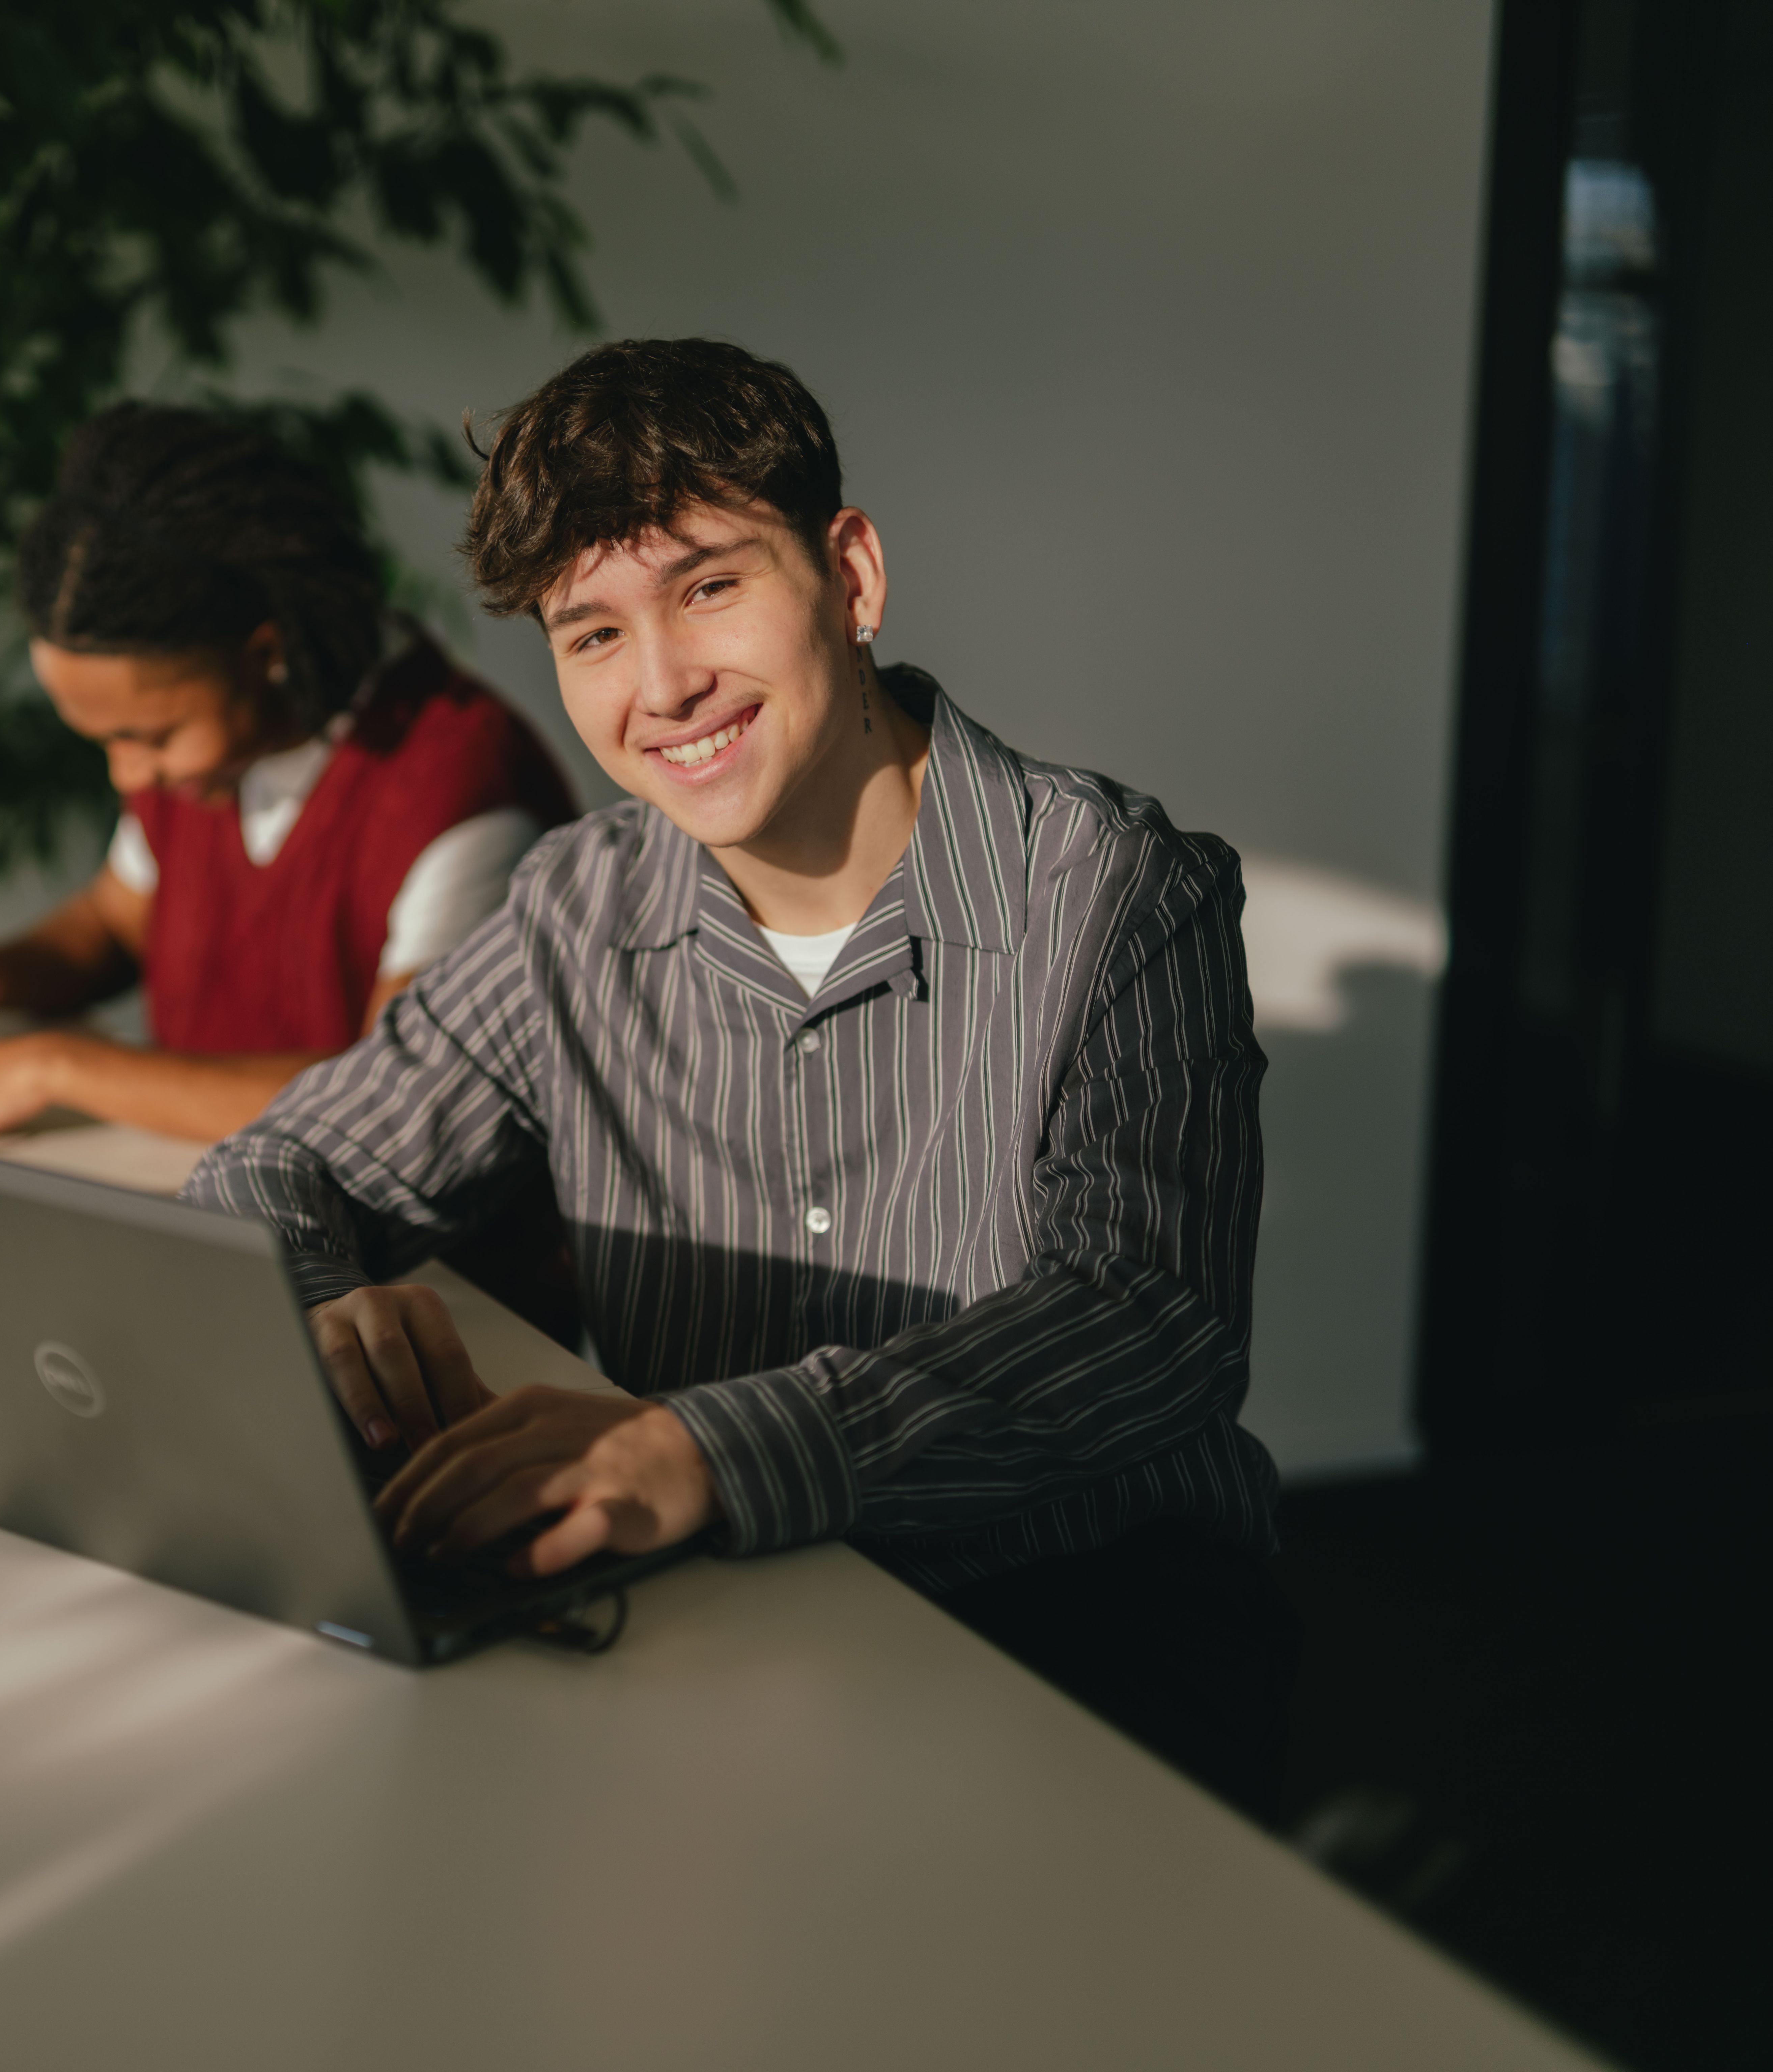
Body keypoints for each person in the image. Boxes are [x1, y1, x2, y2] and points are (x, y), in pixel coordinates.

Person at [182, 339, 1291, 1815]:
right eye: (588, 636)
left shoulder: (1116, 895)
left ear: (849, 574)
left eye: (710, 586)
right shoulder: (577, 906)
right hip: (723, 1609)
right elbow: (275, 1167)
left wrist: (714, 1450)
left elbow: (1147, 1325)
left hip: (1078, 1610)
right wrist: (321, 1312)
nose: (663, 686)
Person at [0, 403, 575, 1147]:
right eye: (103, 741)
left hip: (431, 1266)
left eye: (147, 738)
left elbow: (398, 1100)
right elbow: (116, 925)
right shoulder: (217, 752)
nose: (128, 777)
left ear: (264, 654)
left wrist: (51, 1066)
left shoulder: (458, 789)